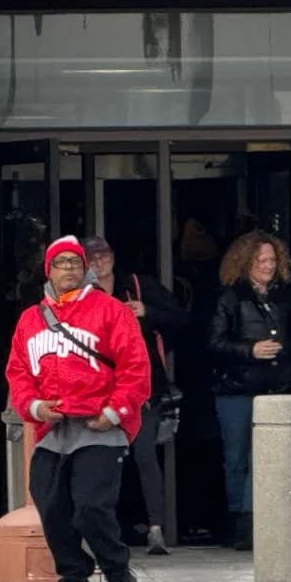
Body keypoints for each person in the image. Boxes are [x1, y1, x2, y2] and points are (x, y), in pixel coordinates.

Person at [5, 235, 151, 582]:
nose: (69, 268)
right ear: (48, 270)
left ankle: (120, 575)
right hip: (53, 430)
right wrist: (34, 406)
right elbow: (18, 373)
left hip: (99, 424)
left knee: (89, 506)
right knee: (51, 510)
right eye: (61, 262)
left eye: (75, 262)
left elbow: (136, 368)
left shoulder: (110, 311)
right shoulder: (30, 319)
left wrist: (116, 411)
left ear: (85, 268)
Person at [208, 231, 291, 550]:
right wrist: (249, 350)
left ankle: (268, 522)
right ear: (246, 263)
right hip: (237, 388)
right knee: (237, 458)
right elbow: (213, 343)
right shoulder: (229, 297)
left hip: (277, 388)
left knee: (272, 459)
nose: (268, 266)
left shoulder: (286, 296)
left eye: (272, 259)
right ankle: (240, 525)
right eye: (261, 260)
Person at [83, 236, 189, 555]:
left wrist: (147, 311)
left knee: (145, 458)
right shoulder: (82, 296)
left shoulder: (137, 287)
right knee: (103, 463)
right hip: (100, 392)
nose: (100, 263)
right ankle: (104, 532)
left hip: (142, 389)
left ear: (113, 257)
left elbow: (182, 320)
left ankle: (156, 529)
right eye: (92, 259)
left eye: (104, 256)